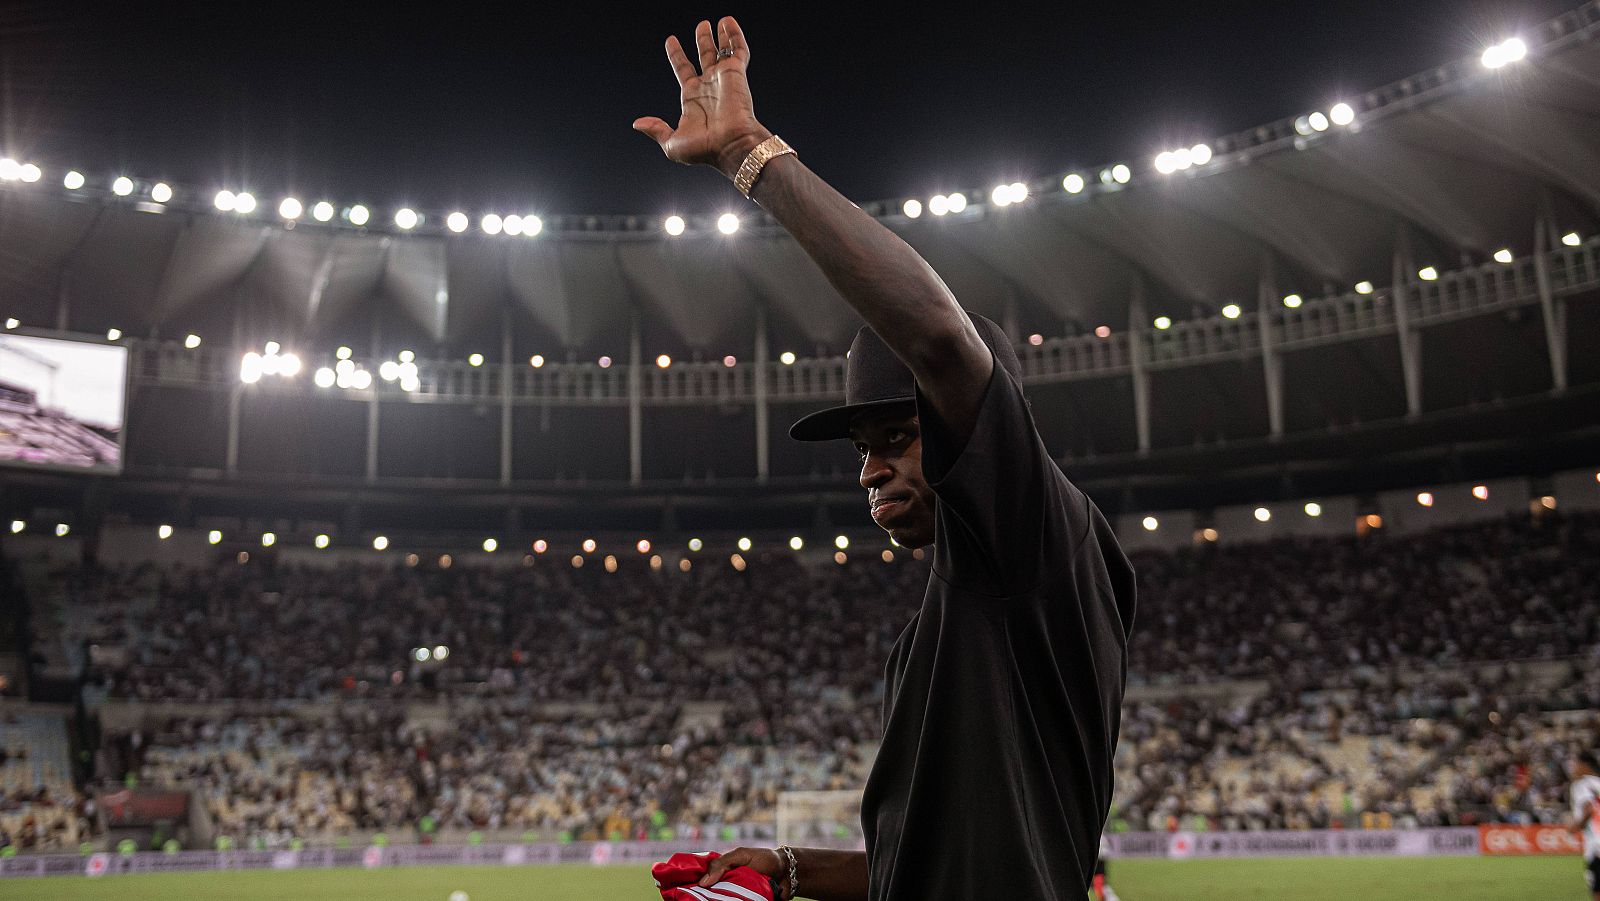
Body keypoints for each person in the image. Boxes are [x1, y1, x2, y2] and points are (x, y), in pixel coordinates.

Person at [635, 17, 1136, 901]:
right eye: (862, 449)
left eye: (896, 437)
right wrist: (790, 868)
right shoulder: (951, 621)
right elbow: (928, 869)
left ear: (979, 430)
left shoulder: (1033, 538)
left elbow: (940, 342)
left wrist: (752, 157)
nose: (868, 470)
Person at [1570, 750, 1600, 900]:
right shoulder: (1598, 783)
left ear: (1584, 765)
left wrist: (1575, 826)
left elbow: (1589, 808)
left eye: (1575, 764)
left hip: (1596, 846)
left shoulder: (1582, 784)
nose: (1573, 767)